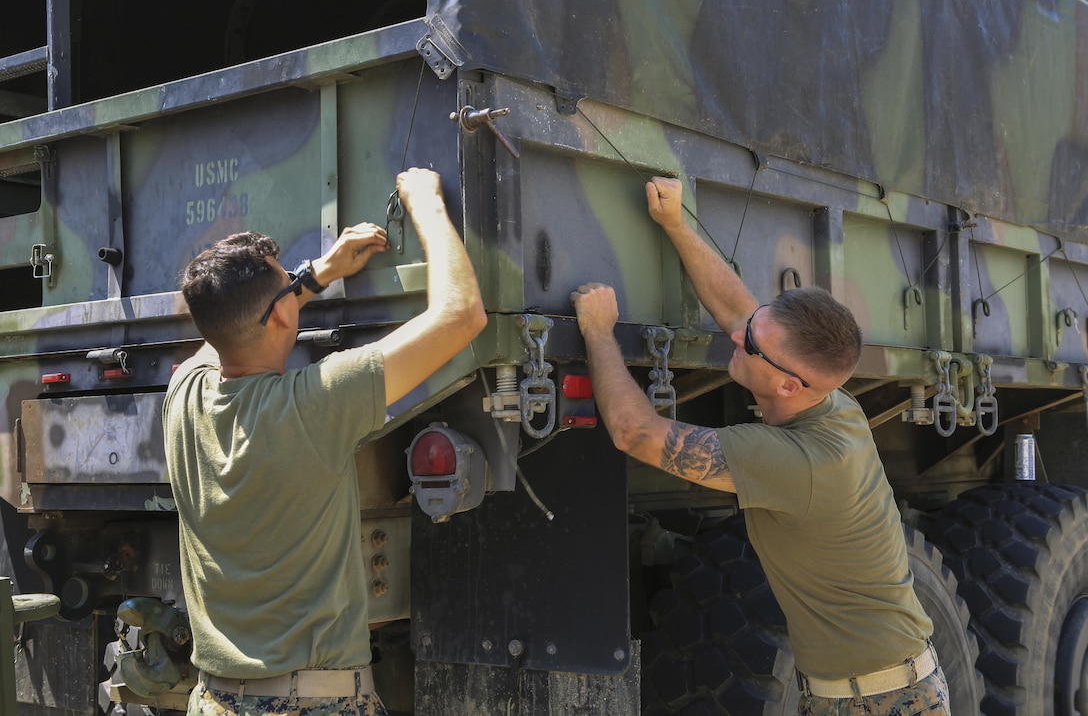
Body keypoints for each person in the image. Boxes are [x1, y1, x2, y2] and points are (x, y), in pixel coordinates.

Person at [570, 177, 949, 714]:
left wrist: (599, 332)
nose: (735, 335)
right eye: (754, 328)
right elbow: (737, 311)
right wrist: (677, 224)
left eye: (750, 343)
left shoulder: (799, 461)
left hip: (883, 702)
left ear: (789, 386)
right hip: (865, 690)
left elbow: (635, 432)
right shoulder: (827, 400)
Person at [164, 167, 486, 716]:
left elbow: (229, 333)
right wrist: (428, 206)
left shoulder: (183, 395)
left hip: (214, 699)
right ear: (284, 312)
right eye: (285, 285)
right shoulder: (315, 405)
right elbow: (461, 315)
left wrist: (310, 279)